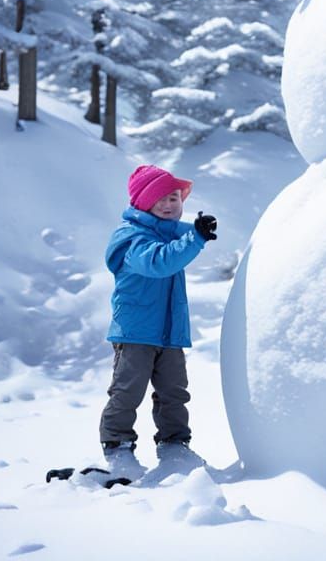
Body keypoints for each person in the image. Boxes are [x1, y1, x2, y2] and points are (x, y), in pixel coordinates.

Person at [98, 164, 218, 474]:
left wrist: (195, 234)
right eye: (160, 198)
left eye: (175, 198)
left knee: (174, 392)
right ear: (142, 203)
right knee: (128, 391)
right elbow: (158, 263)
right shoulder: (132, 239)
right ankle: (117, 448)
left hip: (169, 333)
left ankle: (174, 447)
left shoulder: (174, 238)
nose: (169, 204)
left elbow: (174, 251)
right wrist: (194, 239)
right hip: (136, 332)